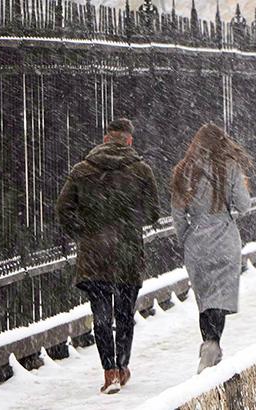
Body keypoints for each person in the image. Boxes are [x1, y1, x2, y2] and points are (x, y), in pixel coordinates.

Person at [55, 118, 160, 394]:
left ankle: (109, 371)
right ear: (129, 141)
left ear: (105, 140)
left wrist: (85, 231)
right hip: (127, 254)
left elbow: (63, 209)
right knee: (124, 313)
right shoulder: (141, 171)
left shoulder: (81, 171)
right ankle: (123, 365)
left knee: (101, 316)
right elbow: (153, 213)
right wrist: (127, 220)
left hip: (94, 255)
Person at [170, 123, 252, 374]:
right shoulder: (230, 167)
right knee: (219, 297)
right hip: (224, 239)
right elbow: (244, 206)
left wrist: (186, 239)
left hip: (197, 243)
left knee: (205, 299)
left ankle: (209, 341)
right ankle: (213, 342)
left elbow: (177, 214)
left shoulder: (184, 170)